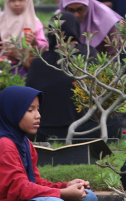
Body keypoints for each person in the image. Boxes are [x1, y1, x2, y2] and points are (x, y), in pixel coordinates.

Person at [26, 12, 117, 140]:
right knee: (113, 123)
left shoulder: (39, 61)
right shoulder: (88, 53)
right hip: (80, 128)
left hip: (42, 130)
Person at [57, 0, 126, 58]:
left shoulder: (107, 20)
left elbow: (116, 54)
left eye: (80, 9)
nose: (76, 15)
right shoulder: (59, 19)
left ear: (88, 5)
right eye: (71, 10)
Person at [0, 0, 48, 70]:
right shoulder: (0, 21)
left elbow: (45, 48)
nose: (17, 4)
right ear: (6, 0)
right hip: (4, 69)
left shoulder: (34, 22)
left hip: (28, 69)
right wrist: (4, 50)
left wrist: (35, 42)